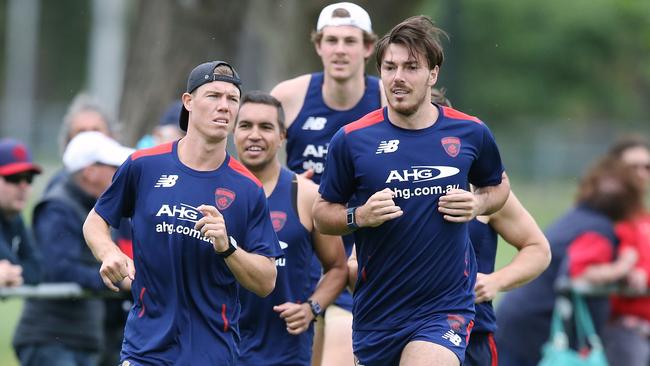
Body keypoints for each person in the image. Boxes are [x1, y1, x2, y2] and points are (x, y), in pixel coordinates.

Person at [313, 15, 510, 366]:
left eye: (411, 67)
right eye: (390, 67)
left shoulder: (470, 132)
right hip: (378, 311)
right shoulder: (352, 139)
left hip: (445, 307)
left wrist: (477, 203)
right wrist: (359, 216)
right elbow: (322, 214)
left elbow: (498, 186)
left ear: (432, 74)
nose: (398, 77)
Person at [83, 60, 282, 365]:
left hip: (212, 352)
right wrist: (109, 253)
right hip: (145, 348)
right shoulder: (144, 165)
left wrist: (228, 248)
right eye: (214, 96)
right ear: (188, 102)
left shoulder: (247, 188)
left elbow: (267, 280)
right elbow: (96, 222)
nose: (224, 107)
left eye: (232, 99)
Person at [270, 3, 384, 363]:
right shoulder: (289, 96)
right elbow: (255, 157)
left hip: (364, 248)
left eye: (350, 41)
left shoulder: (385, 99)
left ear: (368, 48)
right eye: (331, 40)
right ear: (318, 46)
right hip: (299, 250)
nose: (339, 49)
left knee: (342, 347)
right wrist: (284, 181)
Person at [233, 91, 348, 365]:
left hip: (286, 353)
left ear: (283, 135)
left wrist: (312, 308)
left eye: (266, 127)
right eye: (246, 125)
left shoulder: (306, 195)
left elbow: (338, 268)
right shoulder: (214, 191)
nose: (254, 135)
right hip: (221, 347)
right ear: (233, 131)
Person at [495, 156, 643, 366]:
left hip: (517, 315)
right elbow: (580, 271)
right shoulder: (597, 230)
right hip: (537, 322)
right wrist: (623, 267)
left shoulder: (578, 217)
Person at [13, 131, 134, 366]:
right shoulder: (57, 208)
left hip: (80, 340)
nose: (120, 175)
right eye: (113, 167)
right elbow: (59, 269)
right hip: (51, 341)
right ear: (90, 172)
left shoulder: (95, 210)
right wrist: (119, 279)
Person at [601, 136, 650, 366]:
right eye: (633, 167)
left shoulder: (643, 219)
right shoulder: (604, 218)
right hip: (623, 331)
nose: (641, 173)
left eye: (647, 167)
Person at [0, 139, 42, 288]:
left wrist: (12, 274)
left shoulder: (15, 218)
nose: (23, 186)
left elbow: (37, 269)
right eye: (14, 178)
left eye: (28, 178)